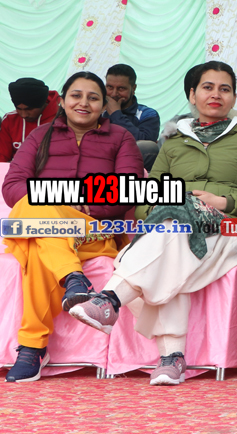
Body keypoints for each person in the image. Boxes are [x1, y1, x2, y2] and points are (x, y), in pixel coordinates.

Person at [68, 61, 237, 386]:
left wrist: (223, 202)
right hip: (175, 229)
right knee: (173, 240)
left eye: (224, 89)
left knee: (166, 245)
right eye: (207, 87)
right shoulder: (174, 141)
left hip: (228, 231)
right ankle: (169, 357)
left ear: (235, 98)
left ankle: (114, 302)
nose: (216, 95)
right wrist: (171, 205)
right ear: (192, 95)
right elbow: (144, 203)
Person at [2, 72, 143, 382]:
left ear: (103, 105)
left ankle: (32, 347)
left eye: (93, 97)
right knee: (40, 215)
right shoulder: (40, 136)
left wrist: (77, 201)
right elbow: (12, 187)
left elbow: (127, 192)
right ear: (62, 101)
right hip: (45, 225)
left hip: (93, 231)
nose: (84, 103)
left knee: (38, 233)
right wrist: (58, 200)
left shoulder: (121, 138)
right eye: (76, 95)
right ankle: (72, 278)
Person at [104, 63, 161, 172]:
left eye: (121, 88)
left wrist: (116, 114)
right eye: (110, 87)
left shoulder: (148, 114)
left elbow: (146, 147)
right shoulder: (97, 112)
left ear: (133, 88)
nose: (114, 94)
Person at [1, 78, 60, 163]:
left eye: (29, 109)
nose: (23, 115)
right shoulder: (10, 120)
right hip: (16, 169)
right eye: (18, 108)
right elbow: (2, 157)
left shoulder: (62, 119)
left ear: (42, 104)